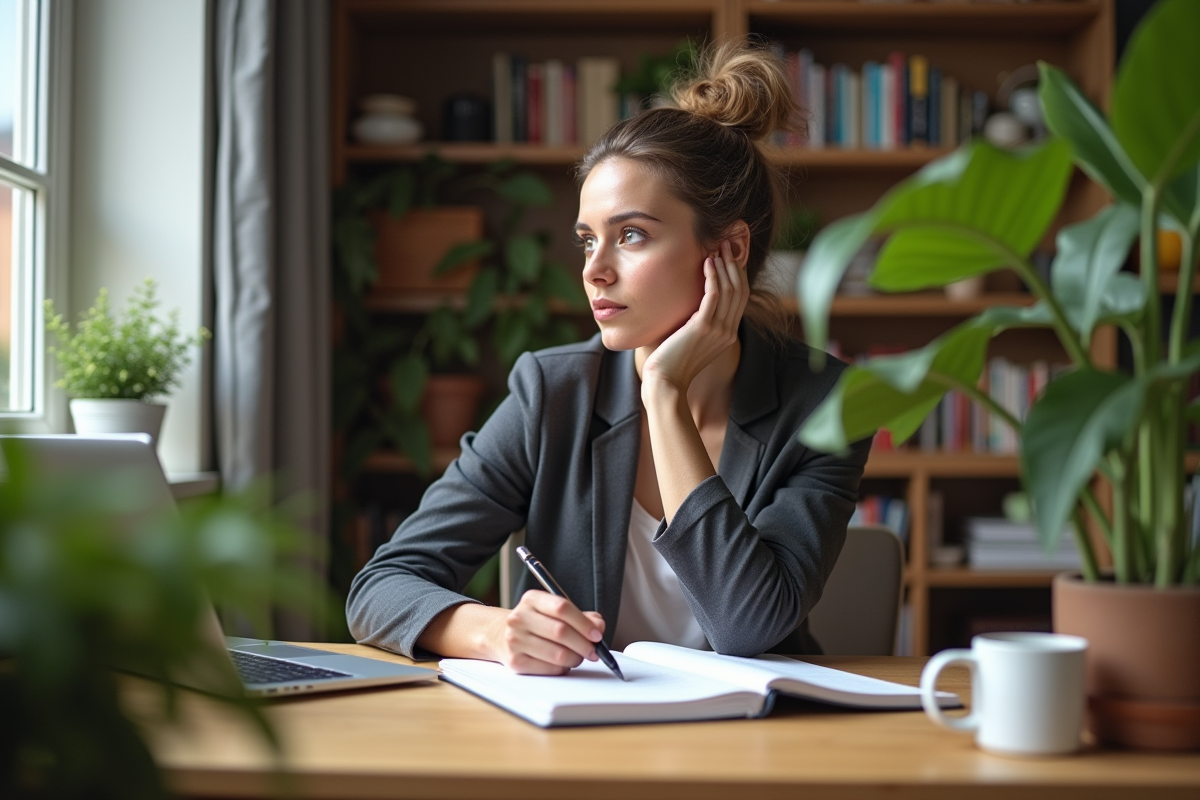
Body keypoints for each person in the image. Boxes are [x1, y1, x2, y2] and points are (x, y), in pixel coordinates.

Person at [346, 42, 871, 675]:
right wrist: (494, 632)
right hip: (582, 724)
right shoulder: (553, 393)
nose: (594, 270)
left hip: (754, 727)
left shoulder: (822, 405)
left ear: (730, 250)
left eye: (631, 235)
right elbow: (381, 587)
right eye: (587, 240)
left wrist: (664, 394)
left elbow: (747, 624)